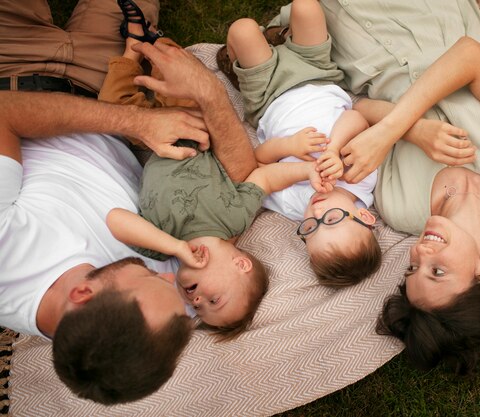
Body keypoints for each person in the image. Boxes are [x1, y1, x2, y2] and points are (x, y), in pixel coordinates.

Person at [270, 0, 480, 372]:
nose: (420, 255)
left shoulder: (401, 207)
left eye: (412, 271)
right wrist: (399, 130)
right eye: (437, 271)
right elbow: (472, 58)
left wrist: (413, 131)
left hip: (357, 48)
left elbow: (361, 112)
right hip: (425, 15)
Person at [0, 0, 257, 403]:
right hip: (109, 83)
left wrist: (138, 124)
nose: (172, 276)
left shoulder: (5, 259)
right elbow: (239, 187)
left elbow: (3, 115)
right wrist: (209, 94)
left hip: (12, 69)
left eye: (149, 275)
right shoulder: (165, 306)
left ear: (82, 295)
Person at [100, 0, 341, 336]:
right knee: (175, 72)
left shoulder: (161, 243)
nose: (197, 300)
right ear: (240, 264)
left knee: (111, 103)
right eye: (214, 300)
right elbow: (264, 177)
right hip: (193, 129)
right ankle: (154, 43)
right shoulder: (235, 219)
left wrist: (175, 248)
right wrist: (306, 171)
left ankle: (131, 50)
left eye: (197, 307)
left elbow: (115, 219)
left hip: (149, 142)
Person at [222, 0, 382, 286]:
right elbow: (357, 118)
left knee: (242, 30)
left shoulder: (294, 205)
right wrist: (334, 150)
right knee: (306, 7)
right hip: (319, 75)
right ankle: (279, 41)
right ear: (364, 216)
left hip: (269, 96)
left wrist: (291, 149)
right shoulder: (361, 179)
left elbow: (259, 163)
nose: (317, 213)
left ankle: (242, 63)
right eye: (332, 219)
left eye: (311, 228)